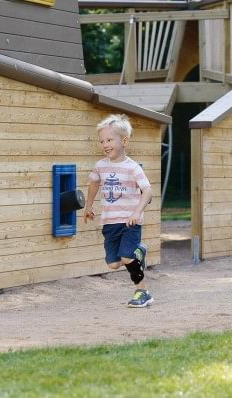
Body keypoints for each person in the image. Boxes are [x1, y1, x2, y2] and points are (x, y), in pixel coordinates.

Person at [83, 114, 154, 308]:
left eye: (109, 140)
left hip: (130, 222)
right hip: (109, 222)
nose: (105, 144)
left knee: (127, 257)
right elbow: (94, 184)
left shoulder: (132, 168)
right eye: (102, 141)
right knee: (113, 264)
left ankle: (142, 292)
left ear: (124, 141)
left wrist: (137, 212)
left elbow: (147, 190)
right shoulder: (100, 166)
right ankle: (140, 251)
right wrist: (89, 206)